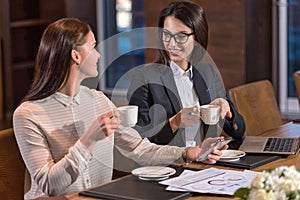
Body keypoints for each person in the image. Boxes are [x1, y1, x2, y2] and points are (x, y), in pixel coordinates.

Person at [13, 18, 227, 199]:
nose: (98, 55)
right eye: (93, 46)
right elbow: (50, 186)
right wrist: (89, 139)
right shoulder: (28, 114)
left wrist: (190, 152)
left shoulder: (98, 100)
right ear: (76, 56)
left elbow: (140, 149)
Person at [127, 1, 246, 147]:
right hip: (168, 168)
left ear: (197, 36)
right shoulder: (144, 77)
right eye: (166, 35)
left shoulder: (206, 72)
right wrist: (174, 123)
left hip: (204, 164)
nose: (172, 44)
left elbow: (239, 132)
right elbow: (137, 142)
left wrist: (227, 109)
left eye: (181, 36)